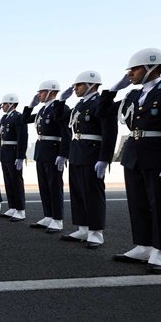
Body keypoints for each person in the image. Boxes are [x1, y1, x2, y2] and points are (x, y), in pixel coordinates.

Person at [98, 48, 161, 273]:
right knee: (137, 203)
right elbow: (103, 112)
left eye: (135, 69)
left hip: (158, 154)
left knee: (159, 204)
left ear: (152, 68)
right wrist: (112, 90)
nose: (130, 74)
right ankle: (144, 245)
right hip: (134, 154)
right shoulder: (133, 95)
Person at [56, 71, 118, 249]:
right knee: (78, 192)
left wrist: (105, 158)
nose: (75, 88)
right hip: (77, 151)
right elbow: (60, 118)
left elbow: (109, 132)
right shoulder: (79, 105)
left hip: (92, 152)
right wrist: (61, 101)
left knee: (92, 193)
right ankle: (83, 228)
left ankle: (96, 232)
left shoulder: (100, 103)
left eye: (79, 85)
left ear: (91, 85)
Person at [22, 81, 71, 233]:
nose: (39, 95)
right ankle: (48, 215)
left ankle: (57, 219)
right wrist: (31, 105)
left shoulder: (61, 108)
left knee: (54, 186)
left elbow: (66, 133)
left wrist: (63, 154)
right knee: (44, 186)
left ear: (51, 92)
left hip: (54, 150)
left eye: (41, 92)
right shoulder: (43, 110)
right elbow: (24, 120)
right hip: (42, 151)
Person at [0, 94, 28, 221]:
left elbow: (22, 138)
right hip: (5, 153)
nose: (2, 106)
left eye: (4, 104)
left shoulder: (18, 117)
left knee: (16, 182)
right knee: (8, 181)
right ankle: (12, 207)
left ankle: (20, 210)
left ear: (11, 104)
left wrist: (20, 156)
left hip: (14, 153)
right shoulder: (4, 118)